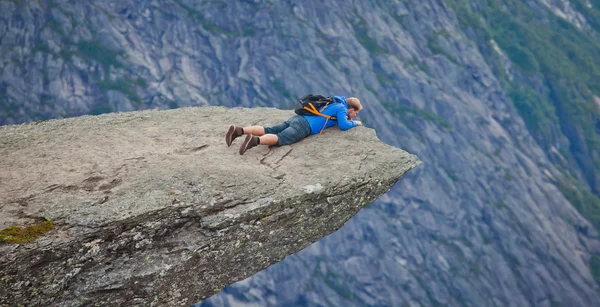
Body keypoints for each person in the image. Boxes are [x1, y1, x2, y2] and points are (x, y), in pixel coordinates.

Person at [226, 96, 363, 155]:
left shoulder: (334, 102)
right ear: (351, 109)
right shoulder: (342, 109)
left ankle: (239, 130)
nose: (355, 115)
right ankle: (254, 140)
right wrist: (354, 123)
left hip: (298, 118)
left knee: (270, 129)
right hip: (304, 127)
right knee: (280, 138)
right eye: (355, 112)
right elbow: (344, 126)